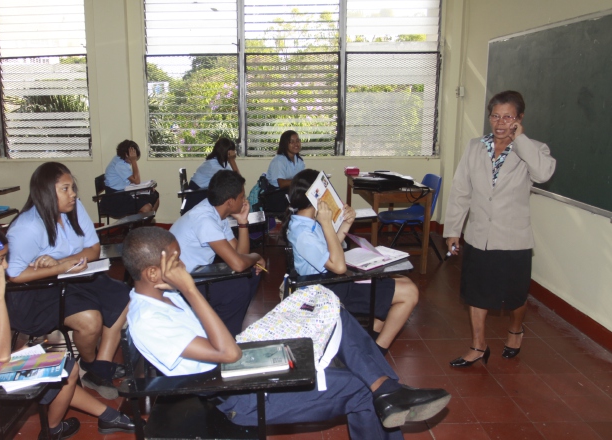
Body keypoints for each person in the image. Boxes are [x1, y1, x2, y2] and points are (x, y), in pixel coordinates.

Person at [122, 227, 451, 439]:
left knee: (325, 303)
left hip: (237, 366)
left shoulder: (161, 295)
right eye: (177, 262)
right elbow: (228, 356)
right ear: (153, 272)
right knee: (358, 389)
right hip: (238, 393)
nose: (184, 268)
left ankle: (387, 388)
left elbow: (221, 346)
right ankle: (383, 391)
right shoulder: (150, 320)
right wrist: (191, 290)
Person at [0, 223, 134, 439]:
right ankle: (52, 431)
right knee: (66, 369)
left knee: (52, 364)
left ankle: (108, 416)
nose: (5, 266)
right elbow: (1, 353)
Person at [444, 90, 556, 367]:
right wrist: (453, 230)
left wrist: (520, 139)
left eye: (508, 116)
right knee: (476, 293)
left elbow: (543, 174)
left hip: (513, 238)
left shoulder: (534, 148)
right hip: (479, 235)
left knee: (515, 297)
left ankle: (516, 330)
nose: (500, 122)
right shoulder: (474, 147)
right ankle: (478, 346)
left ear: (519, 119)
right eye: (495, 115)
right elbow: (461, 190)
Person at [6, 162, 129, 399]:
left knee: (122, 295)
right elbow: (15, 275)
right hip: (36, 292)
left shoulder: (74, 208)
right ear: (46, 192)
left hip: (72, 276)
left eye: (72, 187)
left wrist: (63, 263)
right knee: (90, 321)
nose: (73, 194)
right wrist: (59, 267)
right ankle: (89, 362)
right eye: (65, 189)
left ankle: (99, 367)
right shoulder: (27, 227)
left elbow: (93, 248)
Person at [284, 169, 419, 355]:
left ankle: (371, 341)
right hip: (327, 288)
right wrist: (327, 224)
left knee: (404, 282)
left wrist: (346, 223)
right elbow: (338, 267)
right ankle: (378, 351)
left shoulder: (305, 221)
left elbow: (330, 250)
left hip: (331, 281)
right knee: (410, 293)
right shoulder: (304, 233)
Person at [170, 170, 264, 336]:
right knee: (238, 288)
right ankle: (223, 337)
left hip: (195, 275)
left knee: (252, 273)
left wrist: (242, 223)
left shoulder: (216, 211)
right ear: (229, 201)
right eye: (241, 196)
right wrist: (257, 257)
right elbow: (238, 263)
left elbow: (240, 255)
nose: (244, 200)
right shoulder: (205, 219)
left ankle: (222, 327)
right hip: (179, 286)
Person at [102, 139, 160, 217]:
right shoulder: (119, 164)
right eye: (133, 156)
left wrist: (146, 188)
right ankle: (137, 227)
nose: (134, 158)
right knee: (147, 208)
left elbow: (132, 181)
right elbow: (136, 181)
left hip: (124, 192)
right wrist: (134, 161)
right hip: (115, 198)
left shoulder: (121, 159)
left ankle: (143, 225)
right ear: (126, 155)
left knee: (155, 196)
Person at [183, 137, 241, 213]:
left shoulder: (221, 162)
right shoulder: (212, 165)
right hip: (197, 198)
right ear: (227, 152)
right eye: (233, 151)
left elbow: (237, 180)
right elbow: (237, 181)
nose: (235, 153)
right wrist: (232, 160)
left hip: (204, 194)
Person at [263, 130, 306, 212]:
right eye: (292, 142)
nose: (296, 144)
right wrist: (300, 181)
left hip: (291, 192)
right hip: (277, 194)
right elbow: (282, 184)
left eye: (297, 141)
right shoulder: (279, 161)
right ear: (285, 144)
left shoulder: (299, 160)